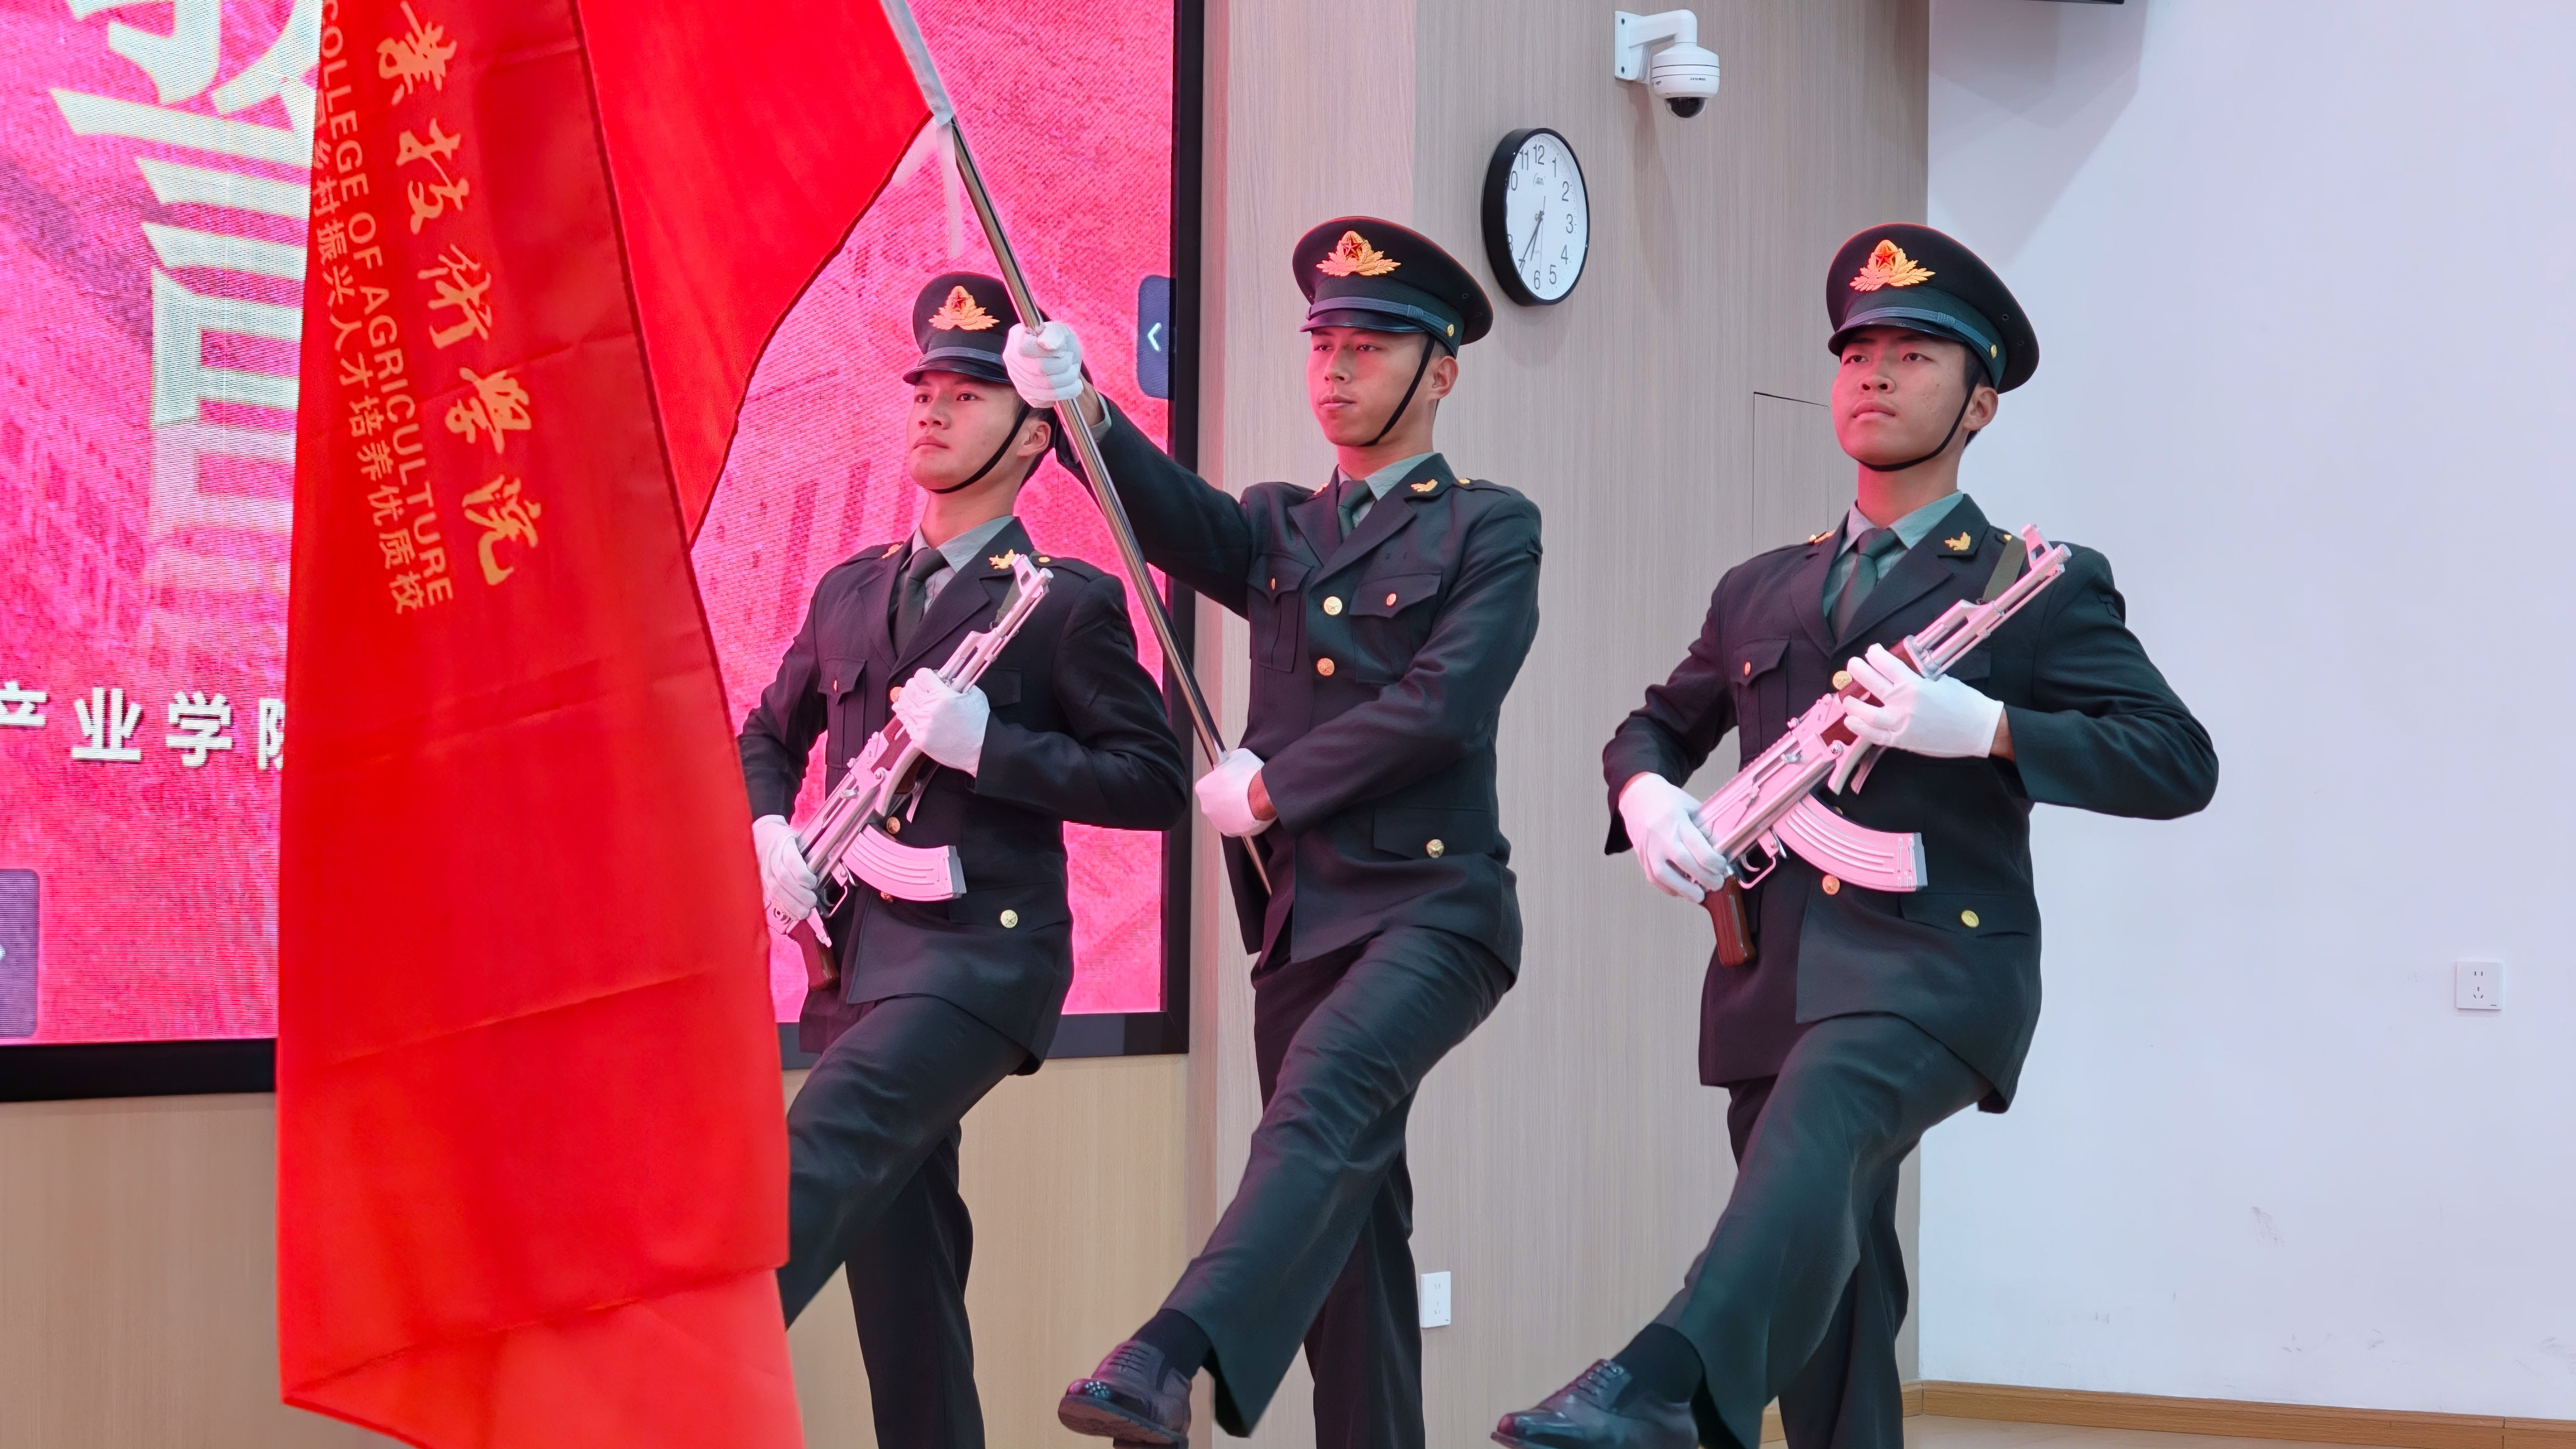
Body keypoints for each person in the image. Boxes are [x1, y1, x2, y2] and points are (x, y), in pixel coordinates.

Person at [1494, 225, 2219, 1449]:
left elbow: (2175, 760)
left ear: (1979, 403)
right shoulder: (1759, 588)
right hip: (1768, 981)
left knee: (1820, 1134)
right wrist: (1648, 797)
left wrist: (1987, 728)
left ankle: (1659, 1387)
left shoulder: (2026, 582)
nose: (1873, 373)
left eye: (1913, 354)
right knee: (1829, 1308)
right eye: (1855, 352)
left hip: (1935, 969)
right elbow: (1654, 726)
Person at [1004, 218, 1543, 1449]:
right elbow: (1159, 511)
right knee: (1350, 1233)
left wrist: (1273, 787)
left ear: (1441, 371)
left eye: (1369, 346)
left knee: (1318, 1108)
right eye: (1322, 344)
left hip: (1436, 913)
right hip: (1302, 925)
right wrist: (1081, 406)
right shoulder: (1277, 527)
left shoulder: (1487, 527)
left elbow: (1445, 704)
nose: (1335, 369)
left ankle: (1166, 1354)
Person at [738, 272, 1187, 1449]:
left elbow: (1152, 781)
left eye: (969, 392)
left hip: (981, 966)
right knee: (907, 1286)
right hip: (855, 969)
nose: (933, 408)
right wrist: (771, 829)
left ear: (1033, 434)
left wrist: (993, 747)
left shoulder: (1062, 603)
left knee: (815, 1156)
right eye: (925, 387)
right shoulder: (849, 591)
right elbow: (765, 735)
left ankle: (669, 1392)